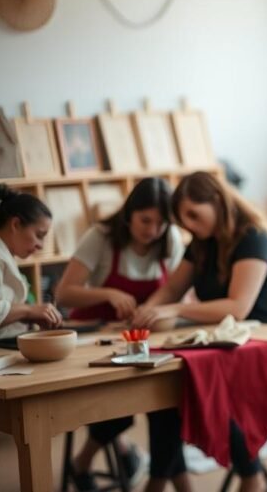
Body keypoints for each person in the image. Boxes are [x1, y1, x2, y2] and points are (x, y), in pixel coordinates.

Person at [131, 171, 267, 492]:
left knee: (200, 390)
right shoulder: (202, 244)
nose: (190, 225)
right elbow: (171, 291)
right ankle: (168, 479)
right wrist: (146, 311)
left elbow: (238, 307)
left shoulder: (254, 237)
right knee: (163, 391)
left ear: (217, 202)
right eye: (183, 220)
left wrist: (177, 310)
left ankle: (249, 475)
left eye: (194, 214)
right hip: (226, 344)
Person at [54, 177, 183, 490]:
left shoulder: (171, 239)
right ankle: (87, 462)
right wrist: (108, 293)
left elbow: (179, 293)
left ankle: (152, 474)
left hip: (145, 340)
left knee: (170, 402)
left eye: (161, 222)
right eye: (145, 220)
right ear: (129, 213)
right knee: (118, 405)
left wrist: (155, 309)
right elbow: (64, 294)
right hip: (97, 339)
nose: (152, 230)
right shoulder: (101, 236)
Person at [0, 185, 59, 338]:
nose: (41, 245)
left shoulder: (6, 255)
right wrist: (29, 311)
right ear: (16, 225)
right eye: (39, 235)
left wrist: (33, 315)